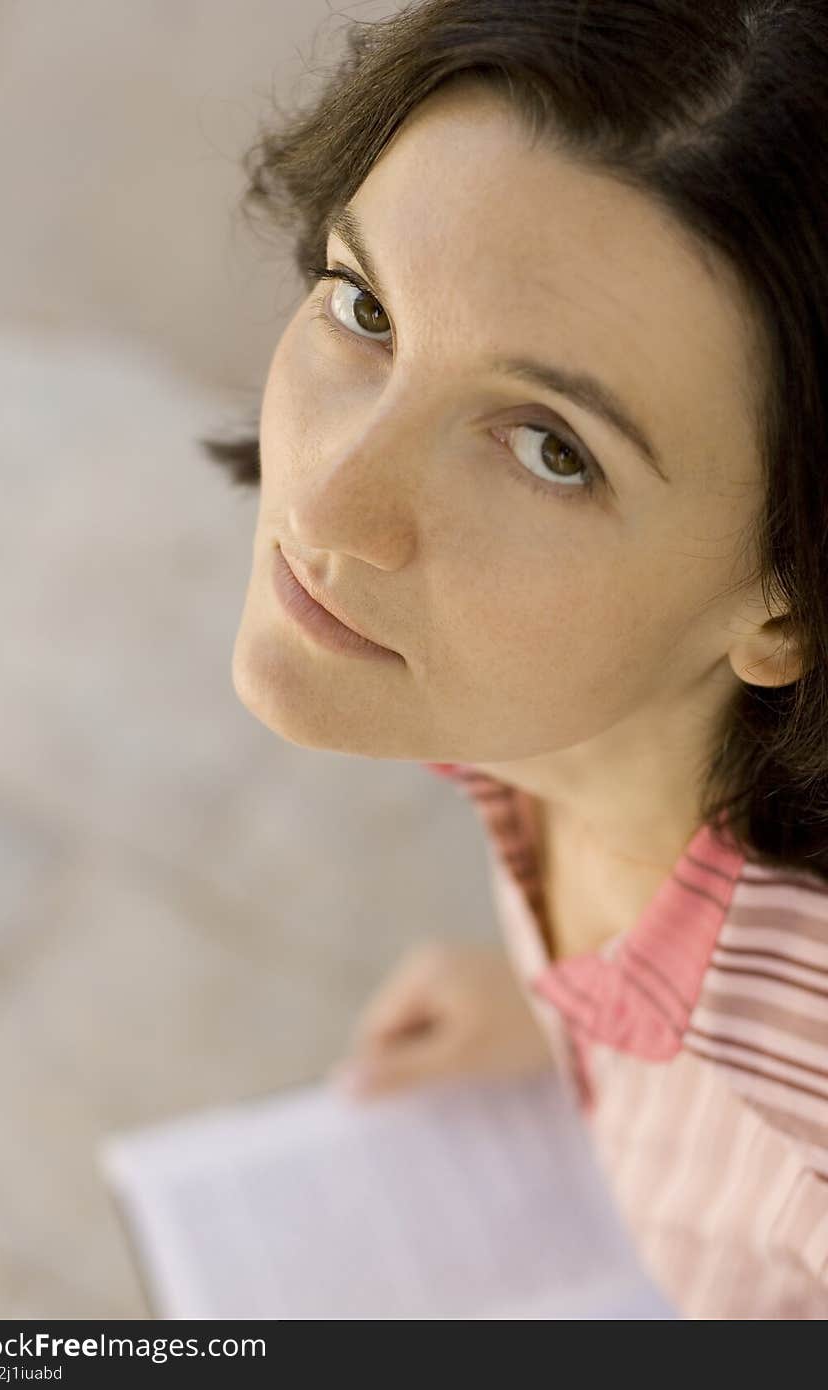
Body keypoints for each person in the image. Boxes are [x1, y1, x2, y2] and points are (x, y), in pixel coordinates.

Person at [201, 0, 828, 1319]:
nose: (324, 506)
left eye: (553, 448)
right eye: (366, 307)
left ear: (790, 605)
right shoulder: (547, 706)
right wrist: (565, 1025)